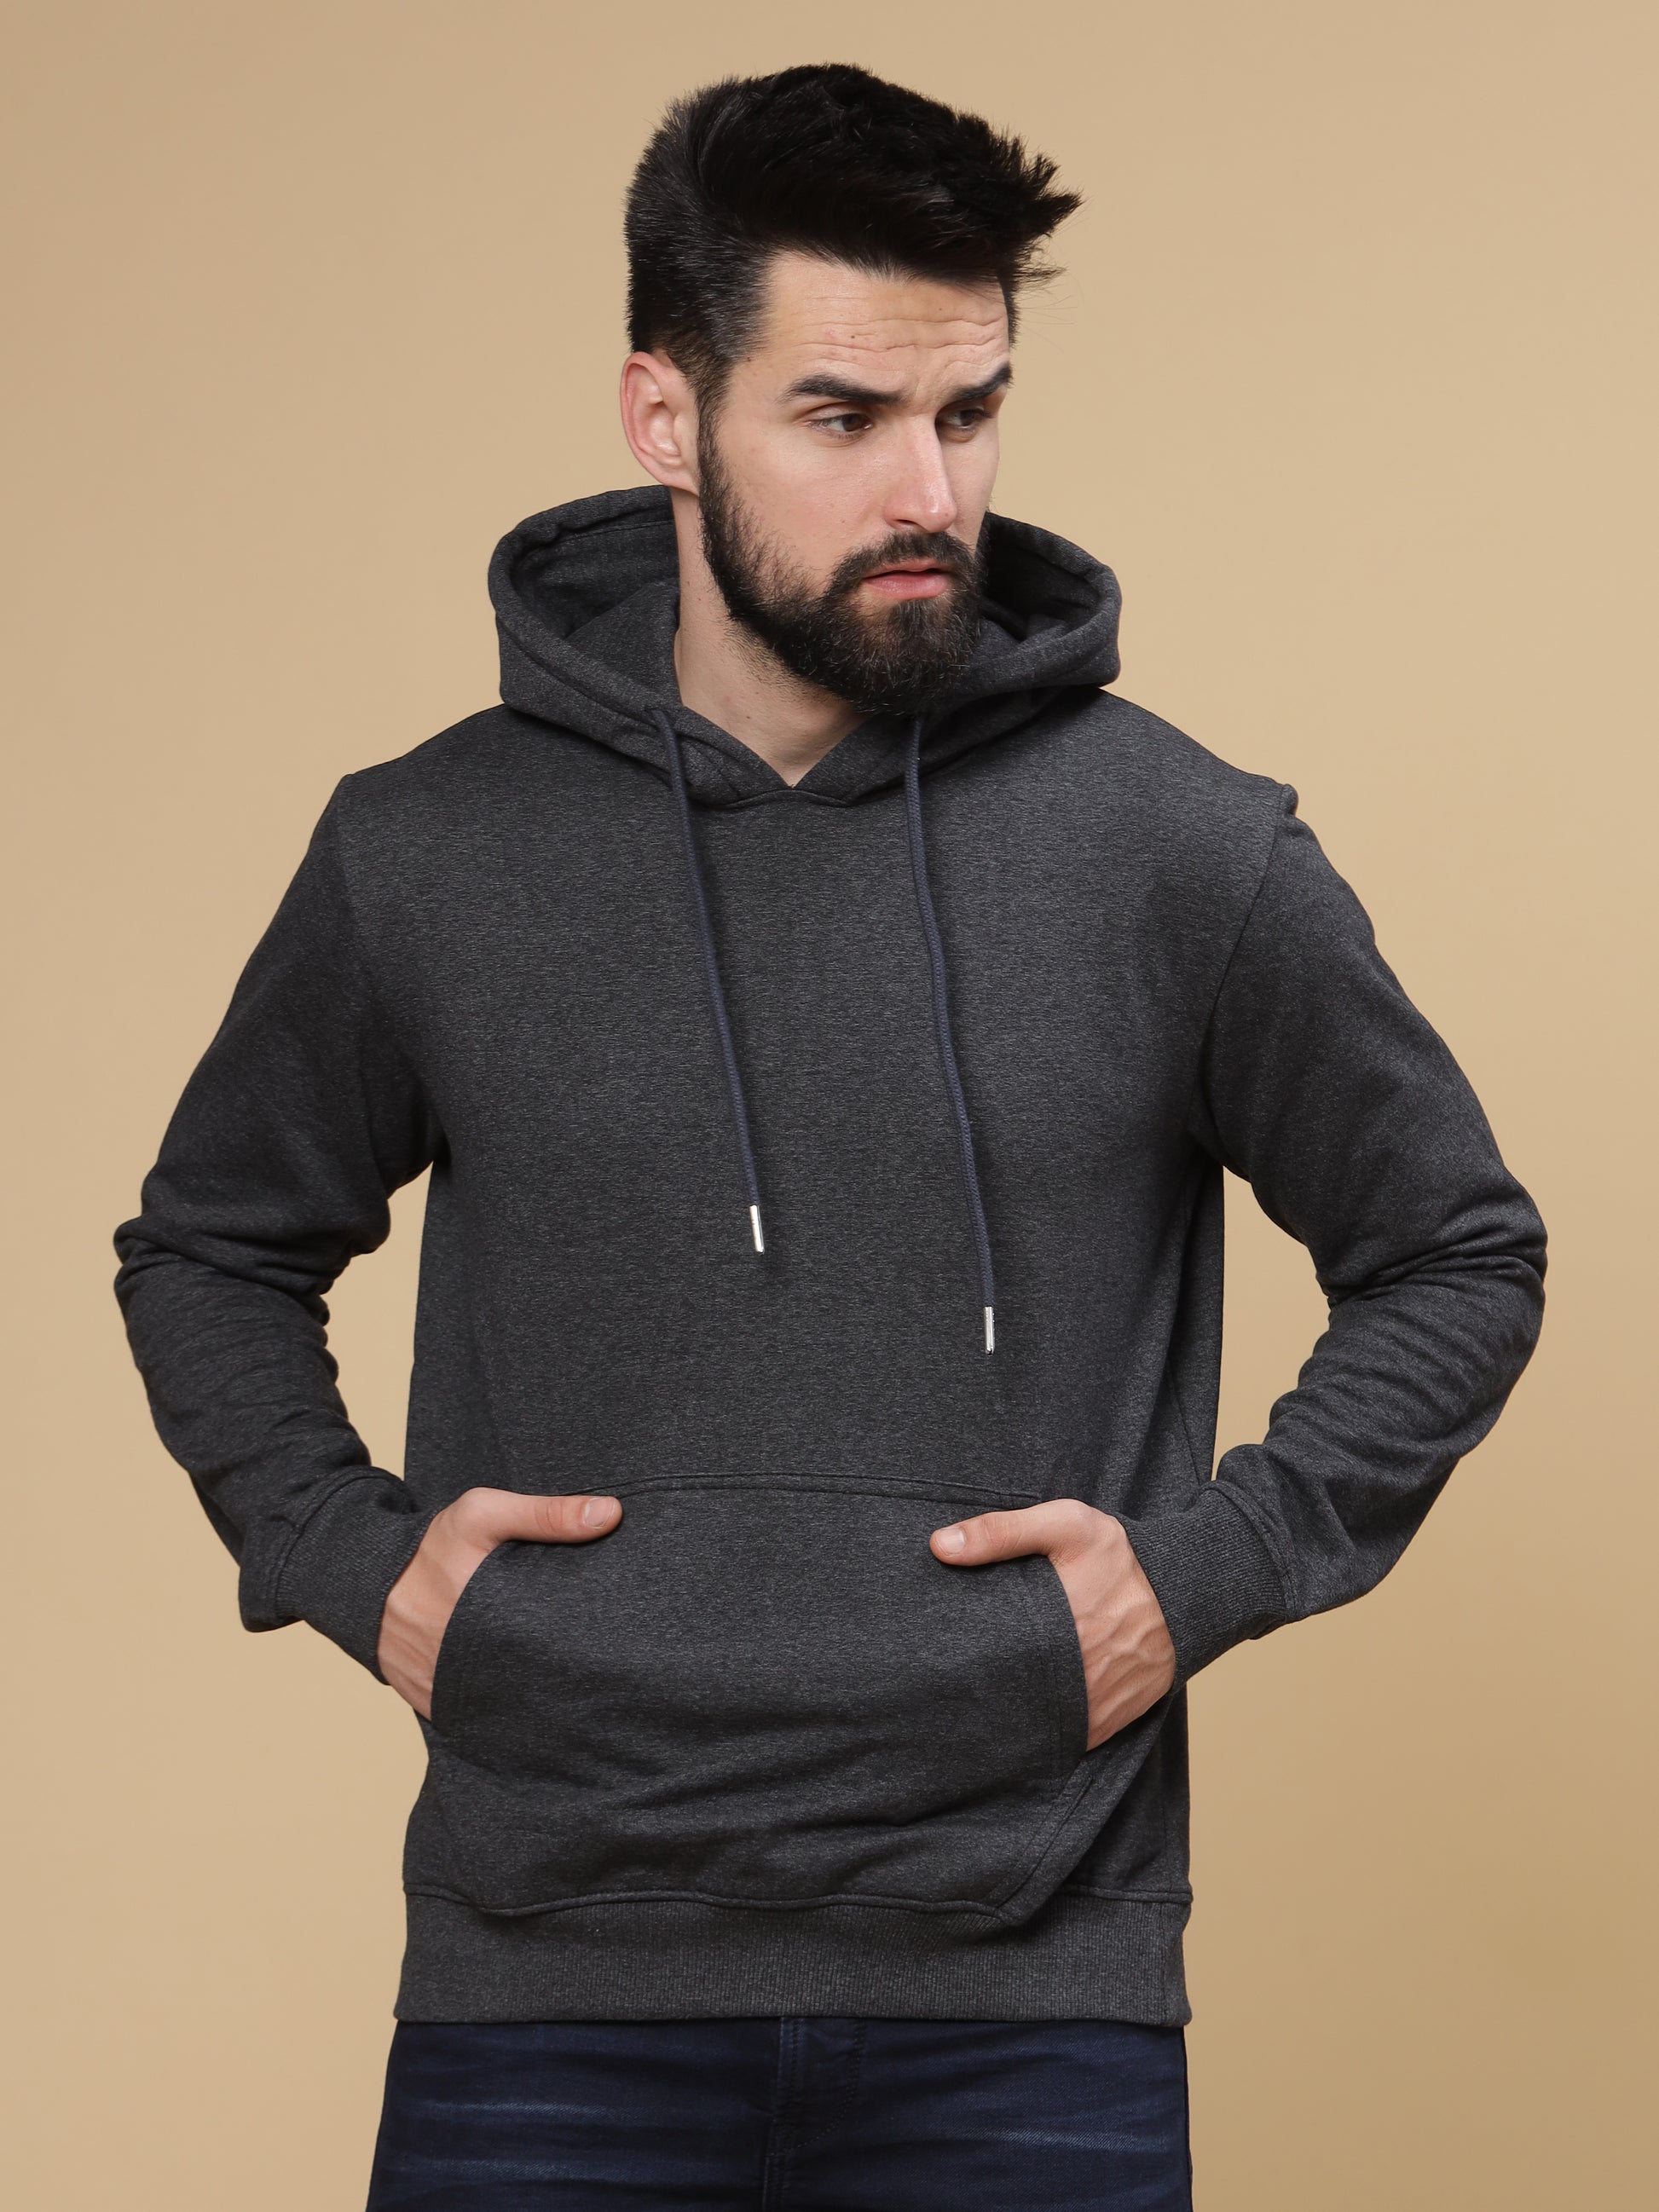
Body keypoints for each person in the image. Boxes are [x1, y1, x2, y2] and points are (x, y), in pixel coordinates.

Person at [113, 62, 1546, 2212]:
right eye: (843, 415)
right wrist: (353, 1559)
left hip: (1031, 1998)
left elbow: (1455, 1245)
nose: (925, 488)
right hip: (547, 1984)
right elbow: (211, 1244)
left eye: (969, 412)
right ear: (663, 413)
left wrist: (1206, 1569)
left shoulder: (1176, 844)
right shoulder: (429, 847)